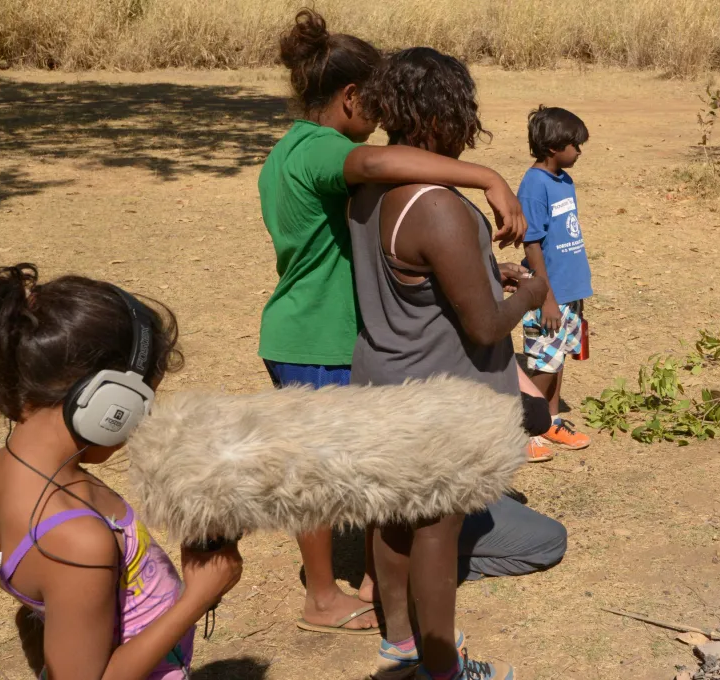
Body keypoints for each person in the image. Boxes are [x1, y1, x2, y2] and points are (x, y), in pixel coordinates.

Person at [258, 9, 531, 636]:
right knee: (319, 476)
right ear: (350, 97)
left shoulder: (287, 150)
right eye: (374, 110)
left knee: (334, 472)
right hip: (318, 334)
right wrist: (486, 175)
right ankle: (324, 597)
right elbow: (381, 166)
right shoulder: (329, 151)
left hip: (298, 325)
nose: (381, 128)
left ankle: (371, 587)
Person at [347, 46, 550, 680]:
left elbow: (417, 282)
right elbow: (486, 325)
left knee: (393, 520)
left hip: (383, 378)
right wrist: (531, 292)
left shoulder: (371, 187)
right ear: (446, 113)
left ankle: (400, 644)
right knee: (436, 530)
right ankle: (443, 669)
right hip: (440, 397)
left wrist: (493, 275)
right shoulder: (436, 202)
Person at [0, 264, 243, 679]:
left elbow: (45, 597)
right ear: (108, 405)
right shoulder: (75, 540)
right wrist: (197, 598)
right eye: (141, 405)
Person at [519, 106, 594, 458]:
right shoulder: (534, 186)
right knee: (541, 363)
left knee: (558, 356)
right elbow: (531, 243)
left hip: (569, 290)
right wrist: (545, 296)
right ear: (554, 147)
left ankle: (550, 420)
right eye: (574, 145)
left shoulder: (563, 180)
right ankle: (526, 432)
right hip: (548, 293)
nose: (579, 151)